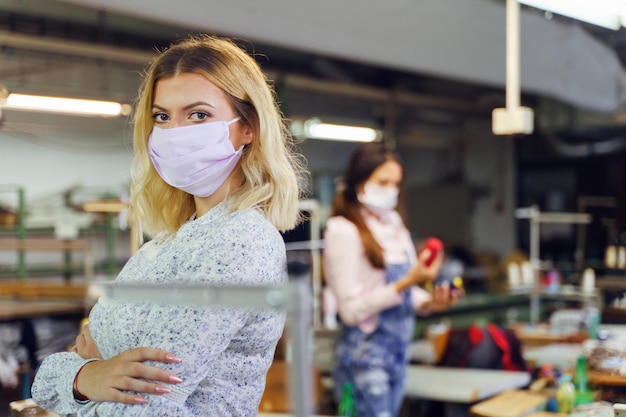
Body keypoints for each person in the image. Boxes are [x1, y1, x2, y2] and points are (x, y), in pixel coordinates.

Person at [31, 34, 304, 417]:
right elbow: (44, 382)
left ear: (248, 128)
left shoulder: (240, 242)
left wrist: (79, 376)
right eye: (162, 116)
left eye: (198, 115)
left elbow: (146, 409)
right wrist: (86, 376)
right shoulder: (166, 243)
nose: (176, 133)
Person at [322, 141, 457, 417]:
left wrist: (431, 302)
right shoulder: (343, 230)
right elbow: (349, 312)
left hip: (398, 354)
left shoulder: (394, 224)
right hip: (366, 359)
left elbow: (408, 290)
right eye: (383, 182)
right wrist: (405, 284)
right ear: (359, 182)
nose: (391, 191)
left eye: (396, 184)